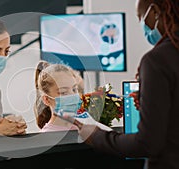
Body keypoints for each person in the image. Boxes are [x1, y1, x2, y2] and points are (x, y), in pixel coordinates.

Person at [76, 0, 179, 168]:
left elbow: (147, 144)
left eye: (140, 17)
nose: (142, 24)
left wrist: (97, 137)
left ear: (154, 12)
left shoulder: (157, 61)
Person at [34, 61, 84, 132]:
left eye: (74, 89)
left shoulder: (83, 130)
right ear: (46, 100)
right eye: (63, 92)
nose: (72, 96)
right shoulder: (45, 137)